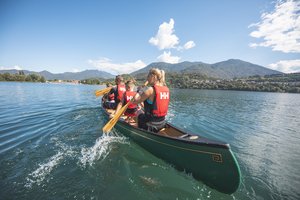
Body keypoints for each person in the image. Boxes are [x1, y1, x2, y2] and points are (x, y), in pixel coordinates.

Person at [132, 68, 170, 132]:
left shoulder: (150, 90)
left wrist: (138, 90)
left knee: (138, 111)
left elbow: (134, 102)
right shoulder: (166, 89)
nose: (147, 79)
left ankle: (140, 130)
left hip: (151, 124)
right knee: (143, 111)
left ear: (153, 76)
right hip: (162, 122)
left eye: (148, 76)